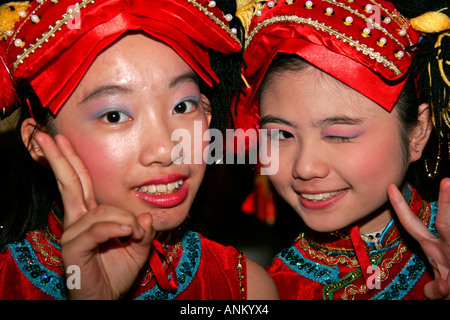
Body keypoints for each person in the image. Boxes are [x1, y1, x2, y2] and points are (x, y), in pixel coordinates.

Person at [0, 0, 279, 300]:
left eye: (183, 106)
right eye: (114, 116)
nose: (166, 148)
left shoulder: (245, 290)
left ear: (207, 115)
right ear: (38, 143)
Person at [233, 0, 450, 300]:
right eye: (281, 134)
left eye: (339, 134)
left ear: (417, 132)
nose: (305, 167)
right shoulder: (266, 292)